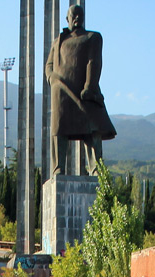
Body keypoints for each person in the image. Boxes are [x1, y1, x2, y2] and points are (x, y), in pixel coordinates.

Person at [44, 3, 116, 176]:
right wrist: (52, 78)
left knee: (92, 129)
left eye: (79, 15)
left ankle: (95, 168)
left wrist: (90, 87)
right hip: (61, 91)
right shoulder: (58, 41)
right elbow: (49, 65)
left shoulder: (92, 37)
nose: (76, 18)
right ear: (67, 19)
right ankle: (58, 167)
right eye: (72, 15)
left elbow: (94, 62)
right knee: (59, 130)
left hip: (85, 91)